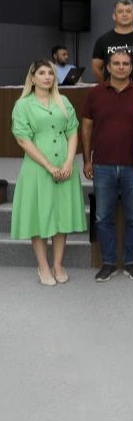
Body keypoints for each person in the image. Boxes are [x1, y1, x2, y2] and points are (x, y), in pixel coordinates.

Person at [80, 50, 133, 282]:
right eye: (116, 63)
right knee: (103, 217)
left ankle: (131, 263)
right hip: (103, 164)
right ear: (108, 67)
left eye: (125, 64)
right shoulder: (94, 93)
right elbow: (86, 128)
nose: (121, 67)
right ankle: (108, 263)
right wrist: (87, 159)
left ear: (131, 68)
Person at [10, 60, 86, 286]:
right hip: (37, 166)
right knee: (39, 214)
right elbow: (23, 140)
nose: (47, 77)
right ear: (32, 78)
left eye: (50, 73)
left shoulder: (63, 101)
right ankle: (43, 266)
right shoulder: (23, 105)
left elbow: (73, 132)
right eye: (42, 73)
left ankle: (58, 264)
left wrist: (69, 161)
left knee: (62, 214)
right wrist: (49, 166)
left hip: (64, 162)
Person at [92, 0, 133, 87]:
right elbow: (96, 68)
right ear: (114, 16)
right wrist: (107, 84)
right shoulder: (103, 40)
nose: (124, 14)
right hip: (112, 91)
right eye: (120, 11)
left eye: (128, 11)